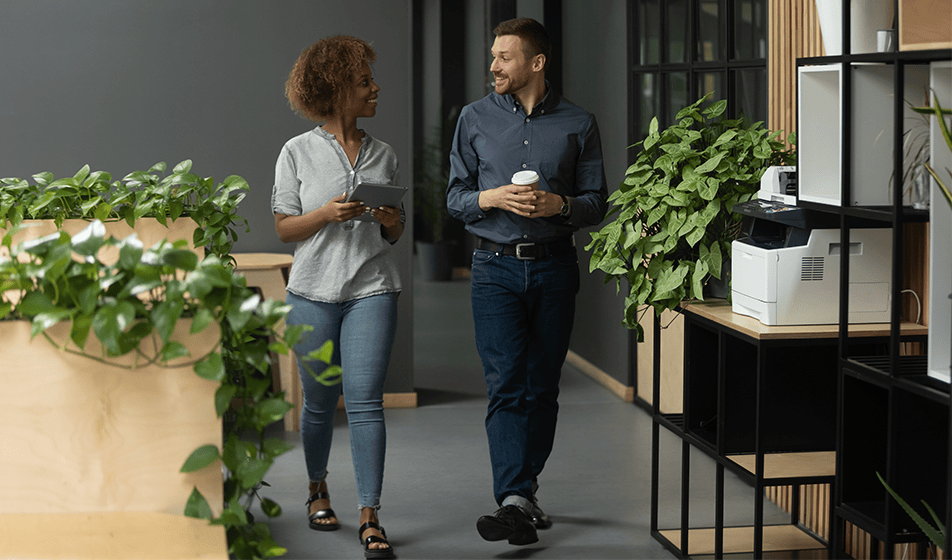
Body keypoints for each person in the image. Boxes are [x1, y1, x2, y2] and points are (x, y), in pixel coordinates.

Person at [446, 17, 609, 547]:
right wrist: (490, 198)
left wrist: (556, 204)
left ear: (536, 63)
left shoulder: (579, 123)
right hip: (493, 267)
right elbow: (454, 197)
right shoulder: (473, 119)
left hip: (555, 266)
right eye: (492, 55)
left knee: (541, 386)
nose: (493, 65)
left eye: (505, 57)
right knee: (506, 383)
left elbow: (595, 203)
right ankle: (513, 497)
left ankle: (524, 494)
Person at [272, 35, 404, 560]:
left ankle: (370, 514)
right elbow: (284, 229)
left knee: (367, 401)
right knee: (321, 403)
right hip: (311, 293)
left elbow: (392, 235)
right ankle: (317, 488)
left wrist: (392, 222)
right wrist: (326, 213)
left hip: (372, 288)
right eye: (364, 82)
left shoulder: (384, 154)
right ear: (334, 90)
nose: (375, 89)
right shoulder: (296, 152)